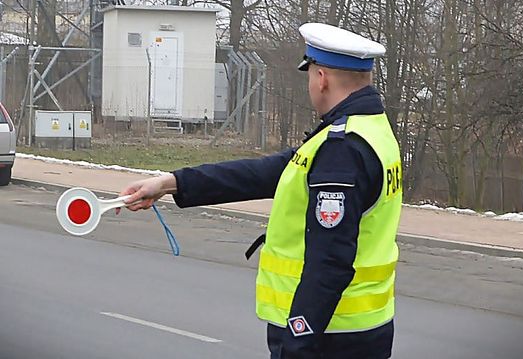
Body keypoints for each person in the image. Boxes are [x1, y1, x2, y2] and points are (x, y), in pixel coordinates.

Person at [118, 23, 402, 359]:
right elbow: (263, 173)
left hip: (328, 336)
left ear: (322, 78)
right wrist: (170, 183)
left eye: (310, 74)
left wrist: (298, 342)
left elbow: (329, 263)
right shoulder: (371, 129)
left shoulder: (341, 150)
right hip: (361, 329)